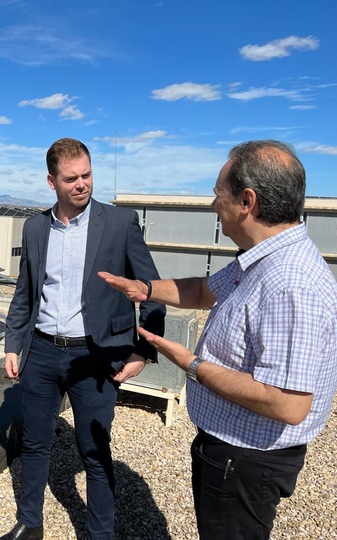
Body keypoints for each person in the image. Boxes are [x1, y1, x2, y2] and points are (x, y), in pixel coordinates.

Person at [99, 140, 337, 540]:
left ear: (247, 201)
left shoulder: (290, 283)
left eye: (217, 196)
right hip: (231, 454)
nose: (213, 206)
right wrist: (143, 288)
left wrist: (191, 364)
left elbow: (289, 403)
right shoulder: (260, 258)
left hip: (245, 462)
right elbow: (203, 290)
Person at [0, 138, 165, 540]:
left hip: (95, 357)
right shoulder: (36, 227)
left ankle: (99, 535)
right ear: (51, 181)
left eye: (87, 175)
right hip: (40, 351)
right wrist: (12, 342)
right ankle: (29, 523)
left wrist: (144, 349)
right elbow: (26, 292)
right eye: (71, 178)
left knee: (94, 453)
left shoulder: (120, 223)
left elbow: (152, 290)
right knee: (36, 444)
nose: (81, 184)